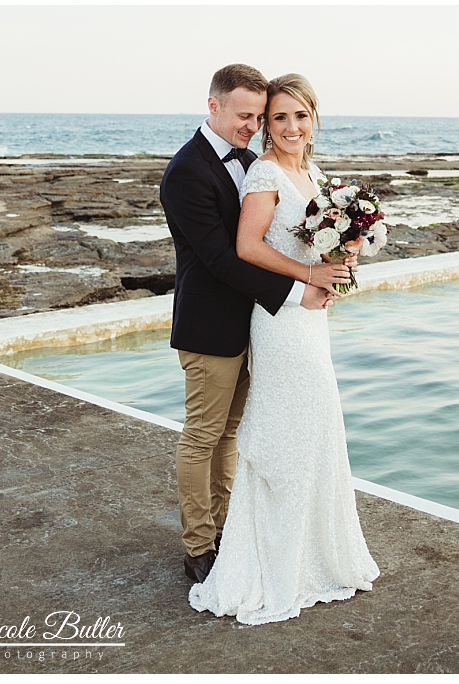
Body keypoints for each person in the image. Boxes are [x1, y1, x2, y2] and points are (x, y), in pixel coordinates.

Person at [188, 73, 380, 625]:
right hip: (280, 323)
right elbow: (247, 247)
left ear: (314, 119)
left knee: (316, 426)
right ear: (268, 125)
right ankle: (272, 563)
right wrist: (309, 275)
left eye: (300, 116)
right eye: (278, 118)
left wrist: (343, 259)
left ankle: (313, 553)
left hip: (310, 320)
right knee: (287, 432)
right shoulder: (265, 172)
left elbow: (319, 240)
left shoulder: (313, 173)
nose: (290, 126)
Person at [159, 64, 353, 584]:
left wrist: (338, 252)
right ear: (213, 105)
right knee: (203, 435)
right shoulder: (186, 172)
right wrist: (299, 288)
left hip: (258, 323)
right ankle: (198, 546)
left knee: (231, 433)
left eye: (258, 116)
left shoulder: (249, 160)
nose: (253, 125)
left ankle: (227, 529)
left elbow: (280, 233)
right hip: (211, 325)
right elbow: (224, 258)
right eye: (245, 115)